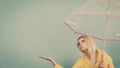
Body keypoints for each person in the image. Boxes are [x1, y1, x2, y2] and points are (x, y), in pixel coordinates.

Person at [39, 35, 114, 68]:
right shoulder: (80, 62)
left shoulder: (104, 57)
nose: (80, 44)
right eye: (78, 44)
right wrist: (54, 62)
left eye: (83, 41)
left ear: (89, 42)